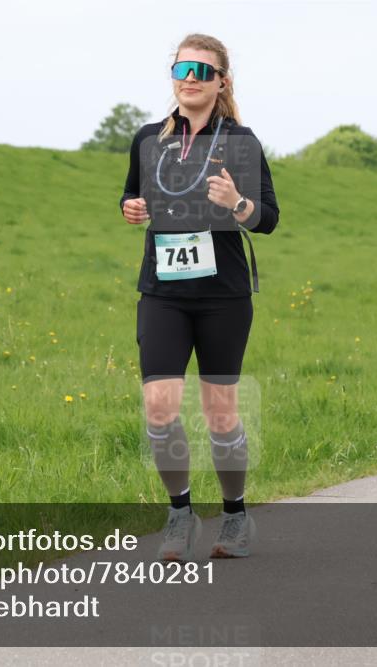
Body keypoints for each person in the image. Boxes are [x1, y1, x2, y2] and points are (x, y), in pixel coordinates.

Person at [119, 34, 280, 561]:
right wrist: (131, 208)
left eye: (201, 71)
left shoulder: (242, 142)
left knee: (220, 413)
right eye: (181, 68)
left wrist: (237, 203)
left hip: (222, 296)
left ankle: (234, 516)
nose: (189, 78)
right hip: (162, 292)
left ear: (221, 82)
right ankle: (180, 513)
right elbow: (131, 194)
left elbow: (268, 218)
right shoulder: (148, 138)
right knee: (159, 407)